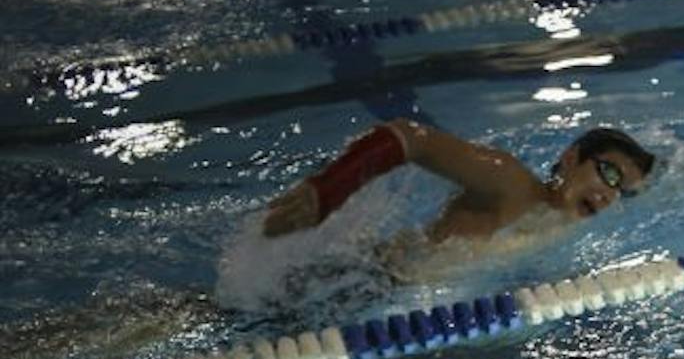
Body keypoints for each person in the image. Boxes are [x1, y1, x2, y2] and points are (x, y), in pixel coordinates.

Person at [260, 121, 659, 276]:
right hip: (363, 283)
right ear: (571, 158)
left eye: (620, 191)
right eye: (608, 173)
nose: (609, 195)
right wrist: (328, 190)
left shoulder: (555, 218)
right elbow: (410, 138)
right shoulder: (511, 183)